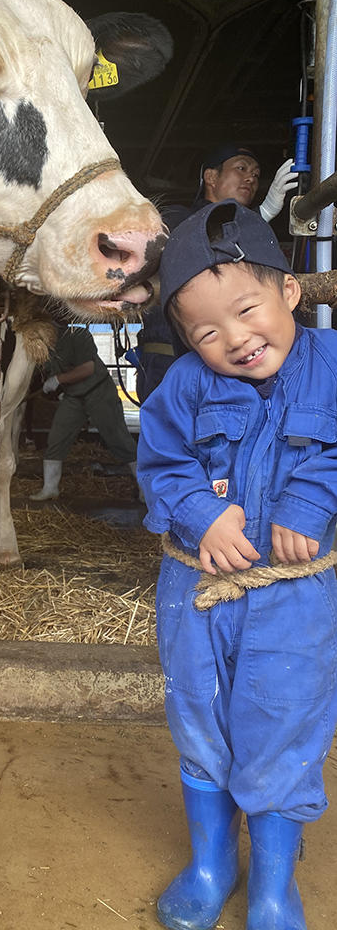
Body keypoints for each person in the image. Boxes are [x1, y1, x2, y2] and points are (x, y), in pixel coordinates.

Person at [137, 199, 337, 930]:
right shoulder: (184, 386)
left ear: (290, 290)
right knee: (199, 720)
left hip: (294, 602)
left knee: (285, 726)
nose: (236, 339)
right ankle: (213, 863)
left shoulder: (333, 365)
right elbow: (161, 459)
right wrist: (200, 512)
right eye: (207, 332)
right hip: (196, 592)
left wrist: (312, 500)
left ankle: (274, 885)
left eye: (248, 310)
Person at [136, 142, 299, 402]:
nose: (251, 178)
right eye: (241, 168)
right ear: (211, 176)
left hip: (232, 364)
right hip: (167, 359)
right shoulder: (176, 218)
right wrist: (263, 212)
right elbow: (197, 240)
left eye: (256, 174)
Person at [29, 324, 138, 500]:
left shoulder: (78, 335)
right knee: (57, 438)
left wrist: (58, 380)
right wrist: (57, 387)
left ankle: (145, 488)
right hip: (73, 396)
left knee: (118, 439)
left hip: (98, 391)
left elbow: (88, 368)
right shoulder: (44, 346)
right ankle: (50, 488)